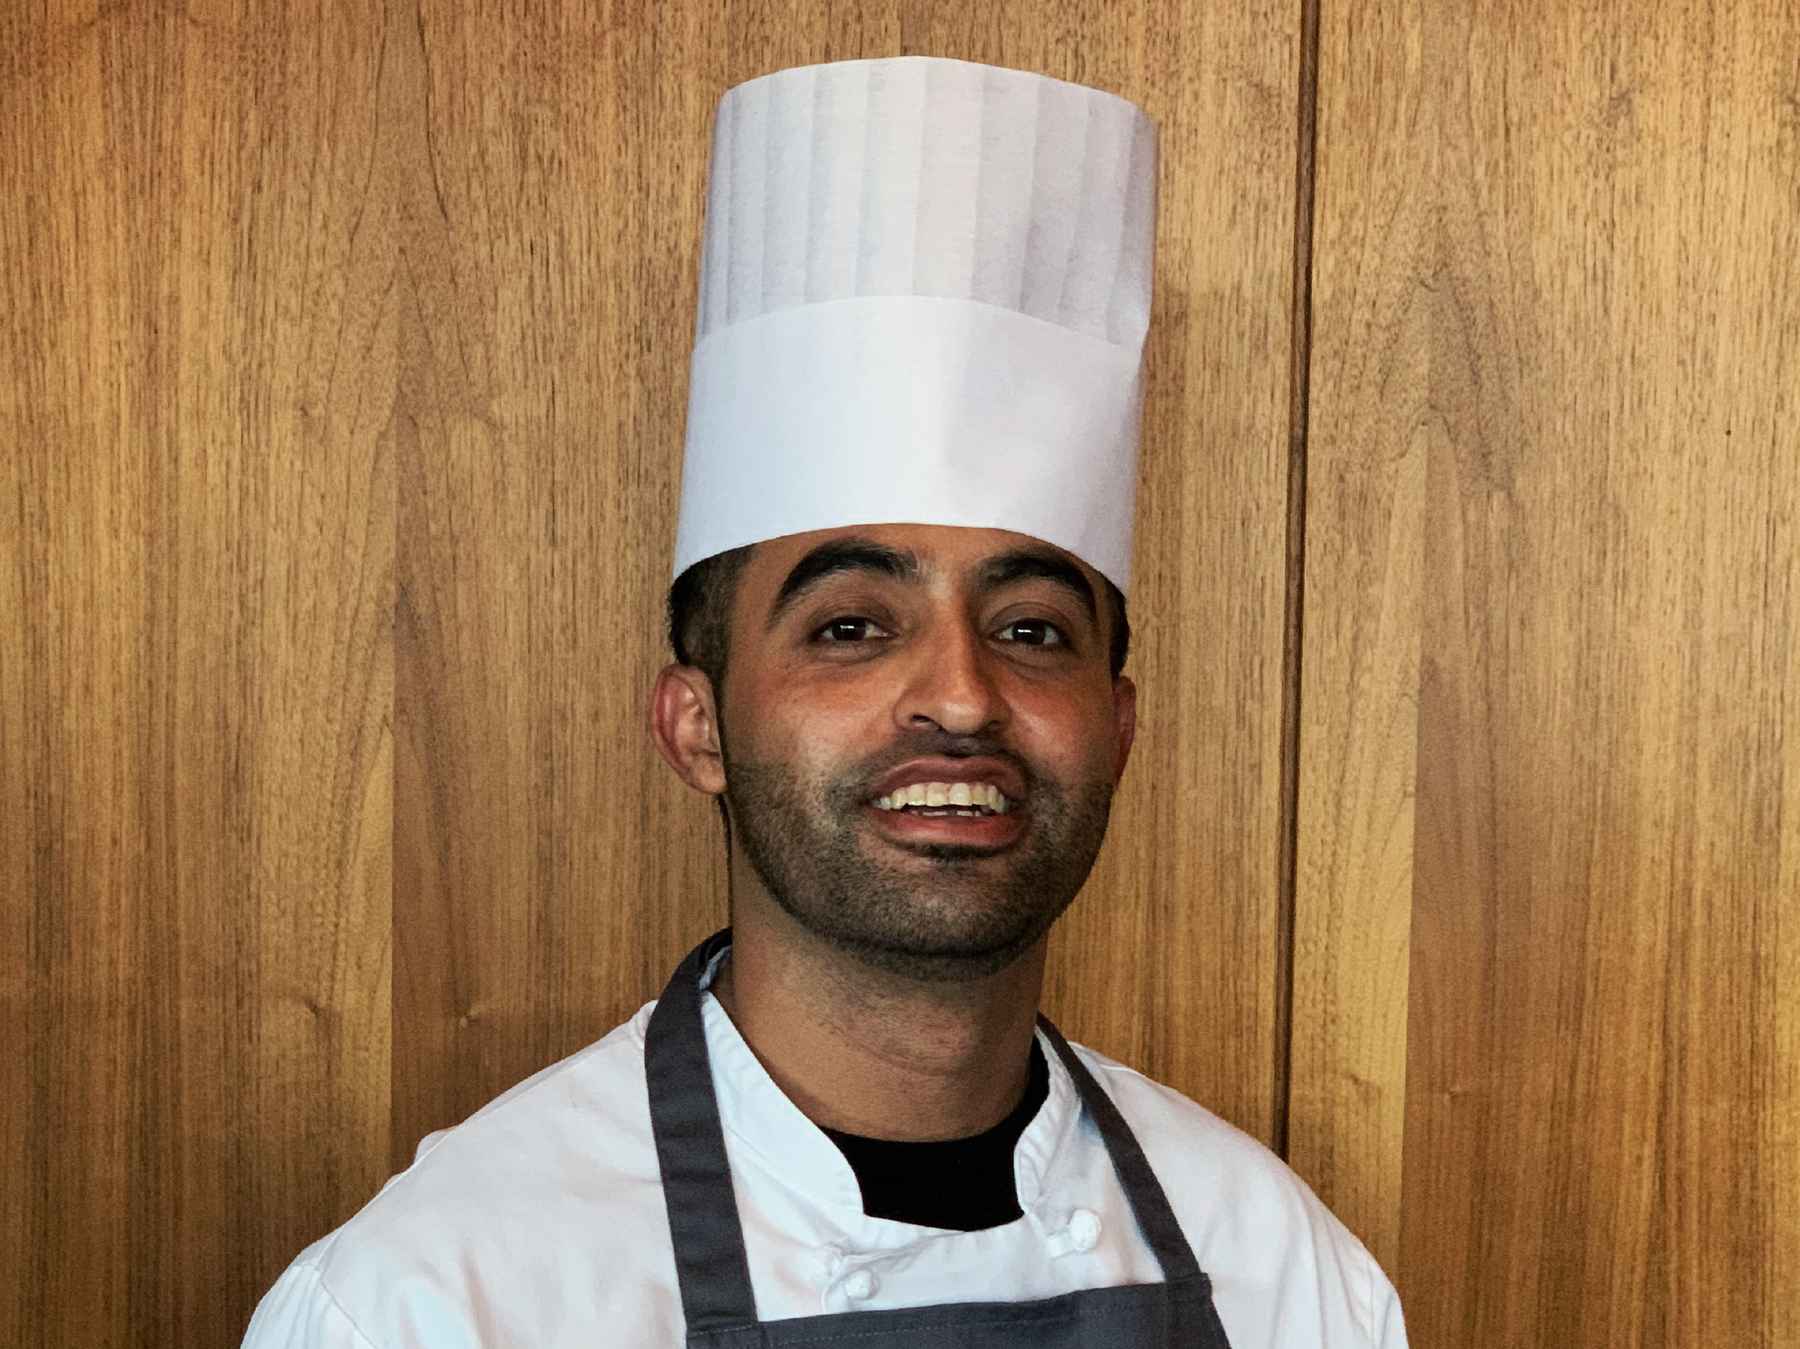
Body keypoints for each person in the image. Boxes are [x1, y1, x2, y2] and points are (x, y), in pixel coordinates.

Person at [244, 55, 1406, 1347]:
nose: (961, 696)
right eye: (851, 627)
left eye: (1031, 629)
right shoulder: (434, 1302)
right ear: (696, 726)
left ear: (1119, 727)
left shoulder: (1288, 1275)